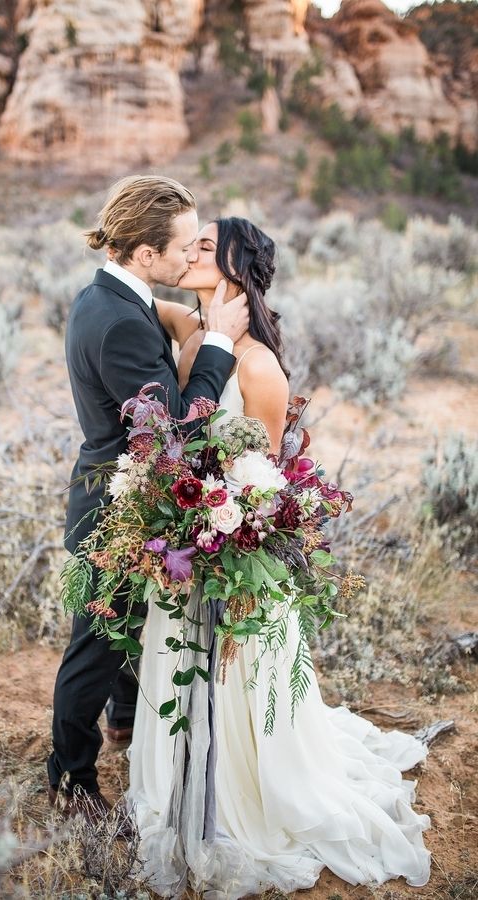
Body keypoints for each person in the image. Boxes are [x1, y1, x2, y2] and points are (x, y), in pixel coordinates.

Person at [128, 217, 431, 896]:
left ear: (237, 266)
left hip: (230, 552)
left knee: (236, 681)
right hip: (180, 545)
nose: (189, 253)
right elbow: (131, 295)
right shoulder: (189, 329)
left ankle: (244, 796)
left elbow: (259, 485)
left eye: (205, 246)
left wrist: (223, 553)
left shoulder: (258, 367)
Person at [47, 177, 250, 820]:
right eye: (184, 247)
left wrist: (171, 317)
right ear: (143, 253)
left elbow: (141, 343)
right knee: (98, 644)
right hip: (112, 506)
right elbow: (174, 434)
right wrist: (215, 344)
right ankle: (71, 776)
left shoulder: (111, 299)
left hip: (112, 490)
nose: (193, 256)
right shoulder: (118, 325)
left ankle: (126, 718)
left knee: (128, 625)